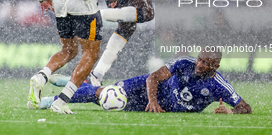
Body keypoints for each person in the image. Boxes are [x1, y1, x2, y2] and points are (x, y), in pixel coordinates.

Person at [39, 49, 252, 114]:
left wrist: (232, 111)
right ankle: (49, 101)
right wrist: (153, 101)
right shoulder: (184, 63)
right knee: (106, 95)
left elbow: (245, 107)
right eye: (200, 59)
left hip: (161, 105)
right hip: (149, 87)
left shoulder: (219, 85)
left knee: (107, 101)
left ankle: (73, 83)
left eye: (207, 63)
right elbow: (154, 77)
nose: (200, 64)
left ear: (216, 67)